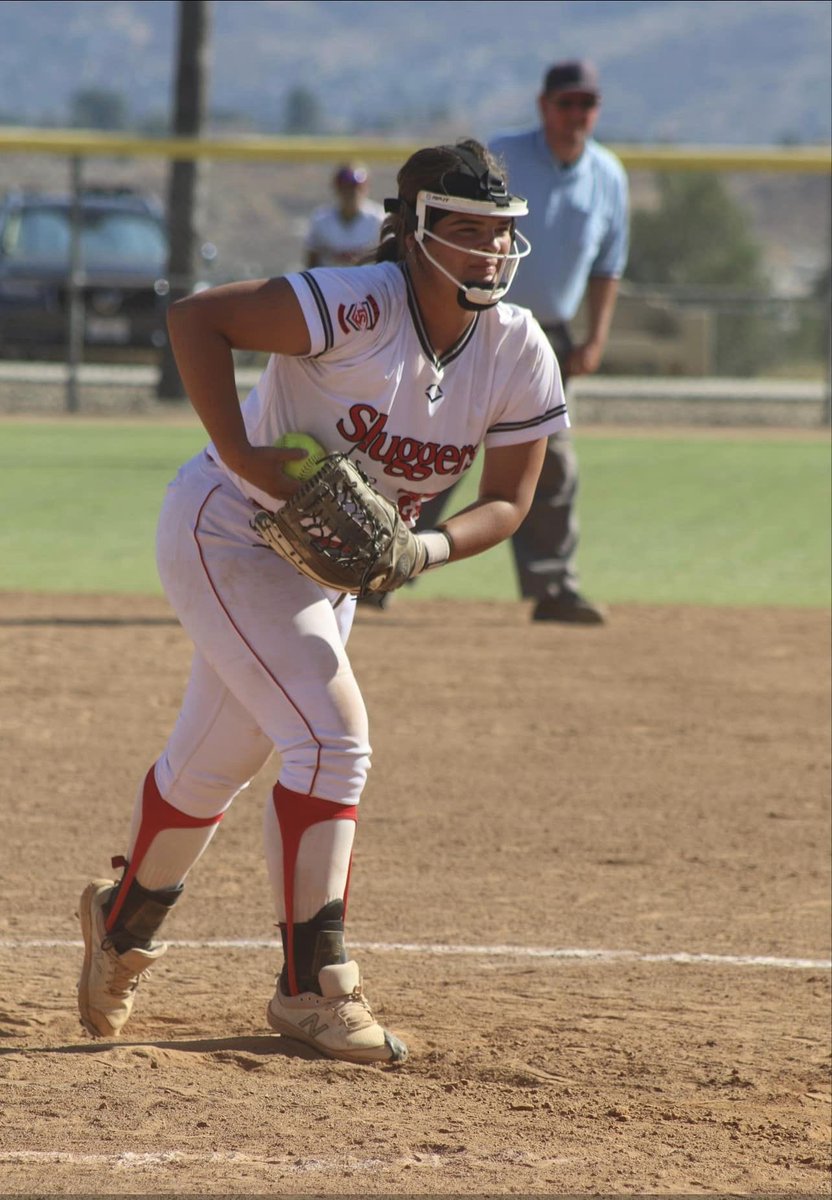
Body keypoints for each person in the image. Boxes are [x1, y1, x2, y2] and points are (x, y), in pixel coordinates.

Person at [77, 139, 569, 1065]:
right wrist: (241, 453)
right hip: (229, 531)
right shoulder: (355, 304)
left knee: (215, 761)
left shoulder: (515, 348)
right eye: (465, 232)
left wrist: (422, 547)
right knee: (333, 739)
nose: (490, 252)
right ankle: (314, 989)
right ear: (415, 233)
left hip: (323, 571)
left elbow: (510, 499)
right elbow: (197, 320)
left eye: (502, 235)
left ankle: (121, 922)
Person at [417, 60, 629, 624]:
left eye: (586, 103)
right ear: (544, 106)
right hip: (475, 317)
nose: (576, 114)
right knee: (437, 443)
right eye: (566, 103)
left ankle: (553, 584)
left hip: (550, 337)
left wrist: (595, 335)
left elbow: (609, 266)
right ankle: (379, 567)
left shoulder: (609, 174)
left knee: (551, 462)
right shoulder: (502, 157)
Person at [304, 162, 385, 268]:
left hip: (367, 282)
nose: (351, 191)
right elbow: (312, 260)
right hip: (329, 282)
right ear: (337, 188)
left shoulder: (379, 218)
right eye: (345, 186)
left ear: (365, 187)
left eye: (356, 186)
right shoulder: (321, 219)